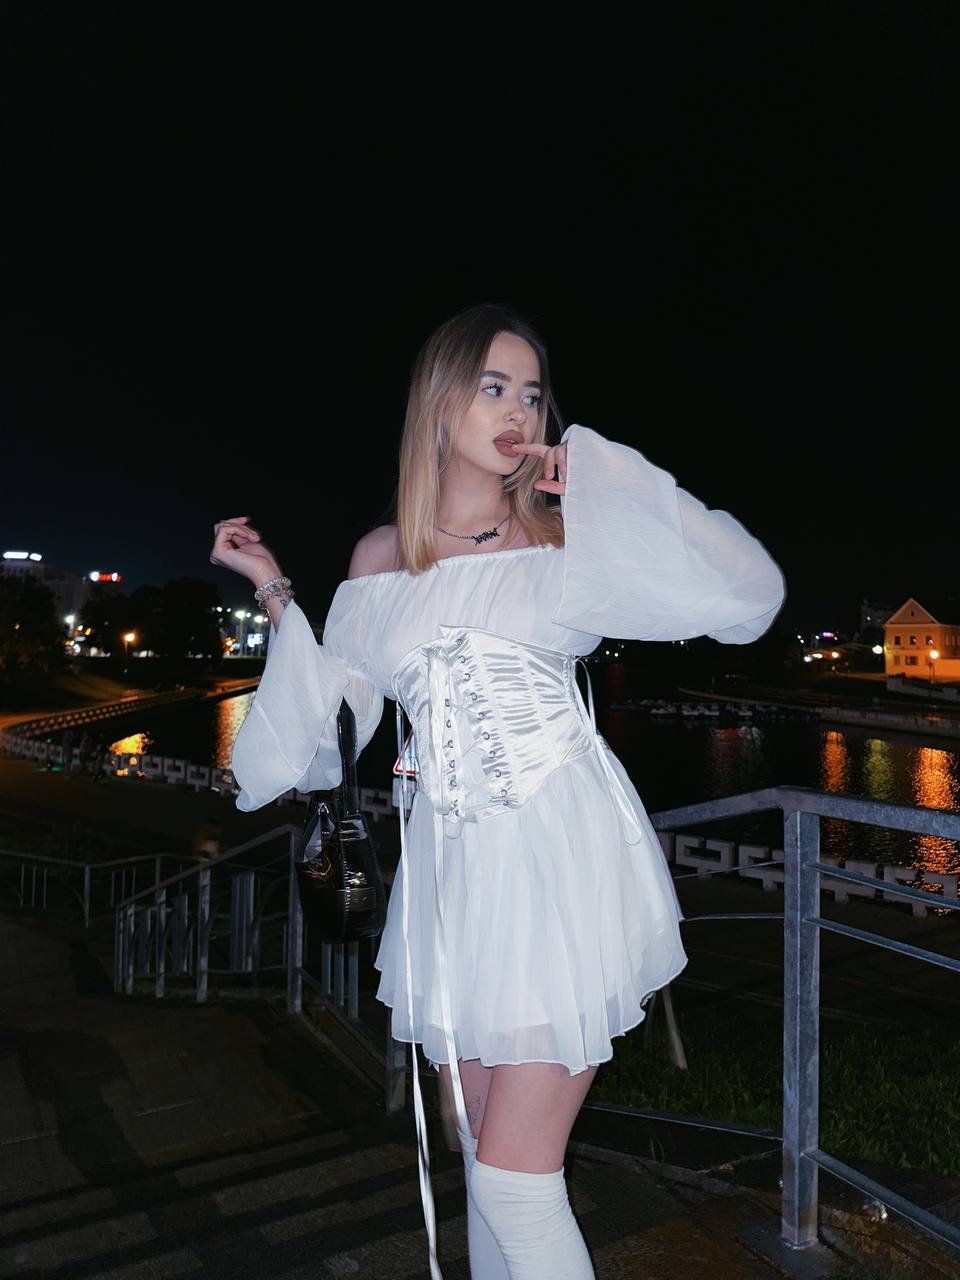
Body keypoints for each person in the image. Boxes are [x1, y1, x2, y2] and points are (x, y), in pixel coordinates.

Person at [211, 303, 787, 1279]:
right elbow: (322, 736)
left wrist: (606, 482)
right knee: (483, 1154)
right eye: (493, 387)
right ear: (439, 403)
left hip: (560, 860)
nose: (519, 409)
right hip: (453, 881)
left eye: (531, 392)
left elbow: (748, 596)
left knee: (518, 1181)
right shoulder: (380, 558)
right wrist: (272, 586)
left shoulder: (564, 538)